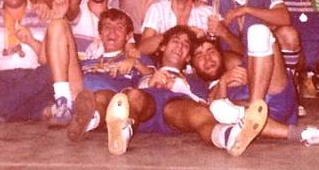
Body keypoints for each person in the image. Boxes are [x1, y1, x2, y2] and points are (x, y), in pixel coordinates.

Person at [102, 26, 269, 157]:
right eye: (175, 40)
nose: (180, 46)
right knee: (134, 96)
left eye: (185, 44)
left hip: (177, 110)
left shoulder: (194, 79)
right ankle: (121, 134)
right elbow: (129, 91)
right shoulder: (147, 69)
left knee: (199, 113)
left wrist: (180, 87)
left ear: (188, 57)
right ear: (162, 47)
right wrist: (150, 82)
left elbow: (205, 103)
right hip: (145, 108)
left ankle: (228, 138)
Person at [189, 37, 319, 146]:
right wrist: (223, 82)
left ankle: (254, 109)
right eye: (199, 55)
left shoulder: (239, 64)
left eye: (210, 50)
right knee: (218, 109)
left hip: (276, 95)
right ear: (193, 66)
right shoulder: (197, 86)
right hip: (257, 122)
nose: (207, 58)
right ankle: (308, 134)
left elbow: (260, 62)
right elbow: (212, 114)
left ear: (221, 55)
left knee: (259, 32)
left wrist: (251, 76)